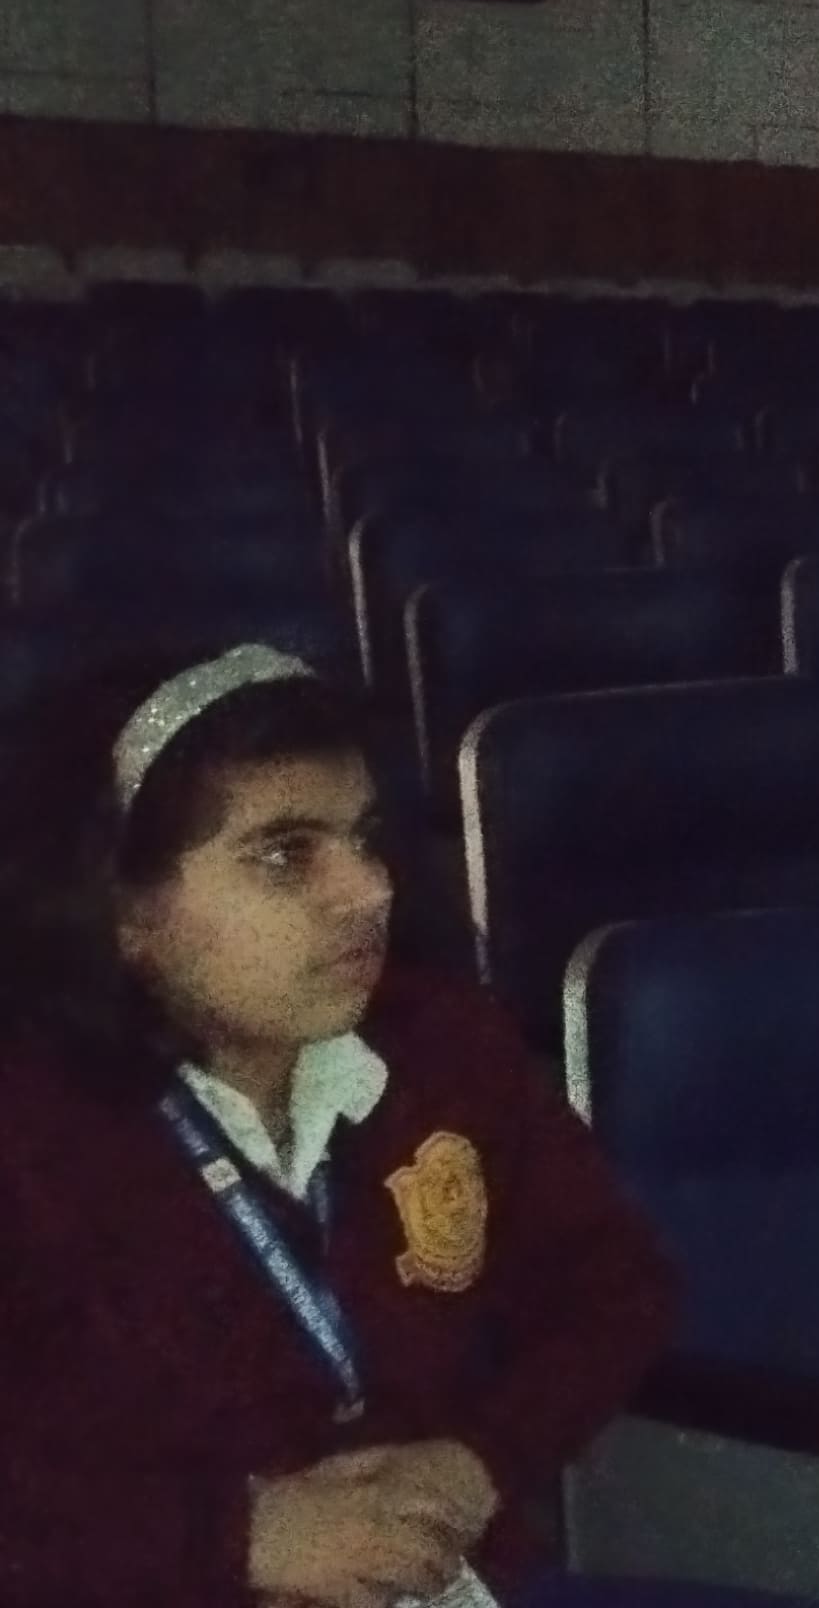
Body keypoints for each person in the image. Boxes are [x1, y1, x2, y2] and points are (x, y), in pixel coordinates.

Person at [0, 645, 682, 1607]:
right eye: (286, 855)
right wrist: (235, 1538)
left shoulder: (443, 1049)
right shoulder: (30, 1136)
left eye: (364, 839)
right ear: (121, 909)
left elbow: (614, 1285)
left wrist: (482, 1457)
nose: (369, 890)